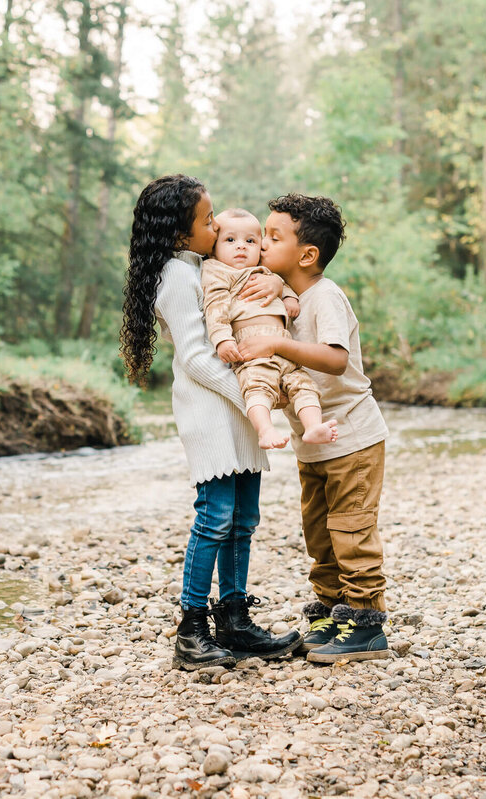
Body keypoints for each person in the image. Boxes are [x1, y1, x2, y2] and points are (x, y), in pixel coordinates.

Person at [120, 175, 301, 670]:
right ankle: (192, 629)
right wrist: (253, 397)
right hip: (211, 408)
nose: (217, 223)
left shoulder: (199, 264)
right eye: (207, 219)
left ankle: (236, 620)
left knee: (243, 520)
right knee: (216, 518)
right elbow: (197, 358)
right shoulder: (175, 276)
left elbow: (241, 289)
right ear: (181, 233)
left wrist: (270, 283)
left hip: (237, 405)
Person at [240, 193, 392, 663]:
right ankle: (331, 611)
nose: (262, 244)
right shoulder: (287, 296)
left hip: (352, 437)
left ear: (307, 254)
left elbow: (334, 358)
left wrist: (276, 345)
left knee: (351, 528)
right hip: (315, 446)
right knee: (319, 533)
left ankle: (367, 621)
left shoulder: (325, 296)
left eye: (273, 236)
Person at [202, 208, 339, 450]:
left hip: (284, 347)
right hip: (251, 348)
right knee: (257, 387)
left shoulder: (267, 272)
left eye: (251, 241)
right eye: (230, 240)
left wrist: (288, 297)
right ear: (213, 248)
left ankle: (313, 426)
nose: (242, 247)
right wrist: (223, 340)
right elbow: (215, 307)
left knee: (304, 385)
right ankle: (265, 430)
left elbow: (285, 286)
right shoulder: (217, 271)